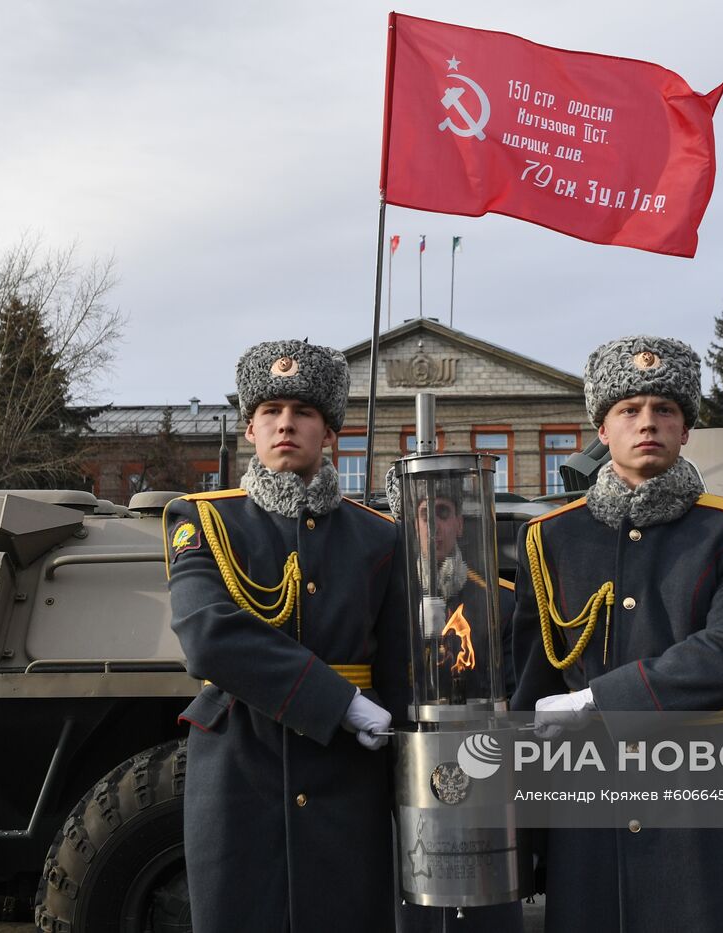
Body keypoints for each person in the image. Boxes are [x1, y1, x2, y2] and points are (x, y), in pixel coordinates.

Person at [511, 335, 723, 932]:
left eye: (666, 409)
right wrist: (521, 831)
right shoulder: (553, 538)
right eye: (628, 410)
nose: (648, 423)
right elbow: (531, 690)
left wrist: (594, 700)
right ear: (601, 431)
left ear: (686, 430)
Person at [164, 339, 406, 933]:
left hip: (348, 776)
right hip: (241, 764)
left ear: (330, 434)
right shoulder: (202, 518)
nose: (285, 425)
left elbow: (401, 666)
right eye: (270, 412)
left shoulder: (378, 537)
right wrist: (341, 702)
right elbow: (208, 636)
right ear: (250, 428)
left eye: (303, 413)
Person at [387, 471, 522, 933]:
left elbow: (515, 691)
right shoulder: (388, 604)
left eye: (444, 514)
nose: (435, 527)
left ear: (461, 524)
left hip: (482, 784)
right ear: (410, 526)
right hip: (407, 787)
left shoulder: (498, 602)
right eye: (424, 515)